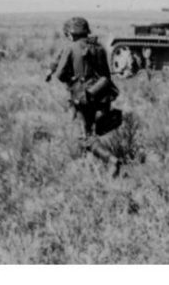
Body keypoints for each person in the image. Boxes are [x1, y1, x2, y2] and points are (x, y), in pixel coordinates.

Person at [46, 17, 121, 175]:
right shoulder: (98, 46)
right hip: (101, 93)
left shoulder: (71, 48)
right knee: (92, 130)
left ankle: (111, 160)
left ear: (72, 34)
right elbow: (106, 74)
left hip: (83, 96)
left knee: (85, 136)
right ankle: (87, 165)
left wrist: (72, 82)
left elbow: (59, 75)